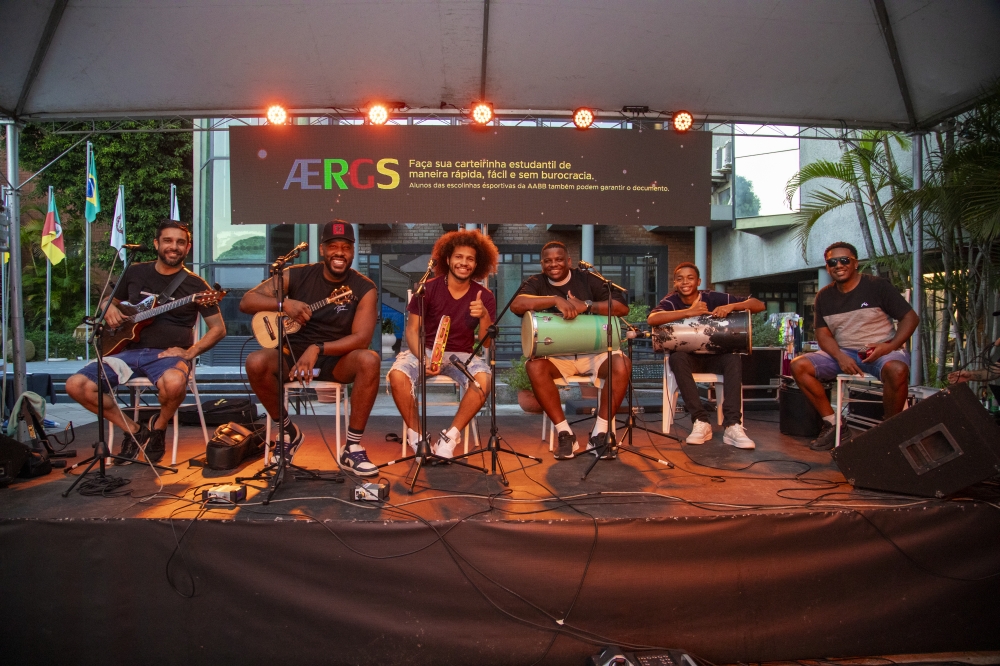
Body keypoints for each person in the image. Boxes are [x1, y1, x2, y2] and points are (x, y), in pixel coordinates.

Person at [65, 220, 226, 464]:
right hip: (125, 352)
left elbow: (218, 329)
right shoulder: (135, 272)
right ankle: (134, 430)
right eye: (168, 240)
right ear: (156, 244)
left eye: (180, 242)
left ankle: (158, 428)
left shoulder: (196, 285)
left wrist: (190, 352)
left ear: (188, 247)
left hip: (166, 357)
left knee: (174, 383)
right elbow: (110, 300)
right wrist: (108, 307)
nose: (174, 246)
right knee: (76, 385)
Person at [240, 221, 381, 476]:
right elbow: (247, 301)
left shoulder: (364, 287)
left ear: (352, 251)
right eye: (333, 246)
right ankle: (287, 431)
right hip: (289, 355)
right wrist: (284, 305)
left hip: (336, 359)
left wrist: (318, 348)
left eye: (346, 247)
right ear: (322, 249)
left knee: (369, 359)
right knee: (255, 362)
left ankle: (352, 447)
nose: (340, 252)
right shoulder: (296, 274)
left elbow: (361, 339)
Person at [790, 242, 919, 451]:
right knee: (798, 366)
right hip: (845, 352)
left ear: (855, 263)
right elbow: (823, 334)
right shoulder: (824, 296)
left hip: (881, 351)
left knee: (897, 370)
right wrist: (840, 356)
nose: (838, 265)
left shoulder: (877, 286)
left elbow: (911, 318)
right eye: (832, 262)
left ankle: (890, 431)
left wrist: (889, 347)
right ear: (827, 267)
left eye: (844, 260)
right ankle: (835, 424)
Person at [511, 241, 631, 460]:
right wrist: (555, 300)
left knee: (622, 363)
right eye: (548, 261)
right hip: (558, 356)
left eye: (559, 259)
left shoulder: (587, 279)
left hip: (595, 352)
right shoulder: (536, 282)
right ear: (542, 264)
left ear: (568, 261)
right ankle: (565, 434)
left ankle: (600, 433)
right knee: (534, 366)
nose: (553, 264)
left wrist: (587, 305)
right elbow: (516, 304)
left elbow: (622, 308)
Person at [388, 230, 498, 458]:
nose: (464, 263)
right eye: (459, 257)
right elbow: (412, 330)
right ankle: (417, 438)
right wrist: (423, 358)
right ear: (447, 259)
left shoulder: (484, 296)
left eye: (470, 259)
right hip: (426, 350)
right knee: (397, 376)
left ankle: (450, 438)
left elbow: (487, 344)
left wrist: (484, 316)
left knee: (484, 380)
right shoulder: (427, 288)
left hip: (462, 354)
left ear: (476, 264)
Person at [647, 262, 765, 449]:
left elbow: (759, 305)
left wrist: (732, 306)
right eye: (680, 279)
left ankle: (732, 425)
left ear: (699, 281)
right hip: (689, 360)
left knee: (733, 358)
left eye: (690, 278)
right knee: (677, 357)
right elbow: (652, 319)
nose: (685, 282)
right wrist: (689, 312)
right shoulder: (671, 301)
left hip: (716, 358)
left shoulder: (713, 297)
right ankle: (701, 421)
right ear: (675, 283)